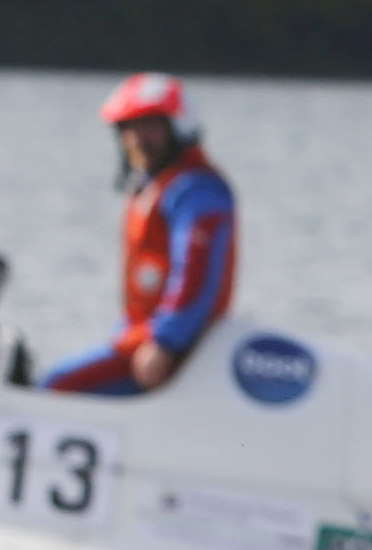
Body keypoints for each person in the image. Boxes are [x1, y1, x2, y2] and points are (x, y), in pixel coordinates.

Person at [42, 73, 236, 396]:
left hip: (175, 351)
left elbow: (196, 276)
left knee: (56, 386)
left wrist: (165, 342)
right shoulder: (158, 186)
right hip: (143, 338)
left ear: (179, 127)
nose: (136, 139)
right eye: (128, 128)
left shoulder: (196, 191)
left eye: (149, 126)